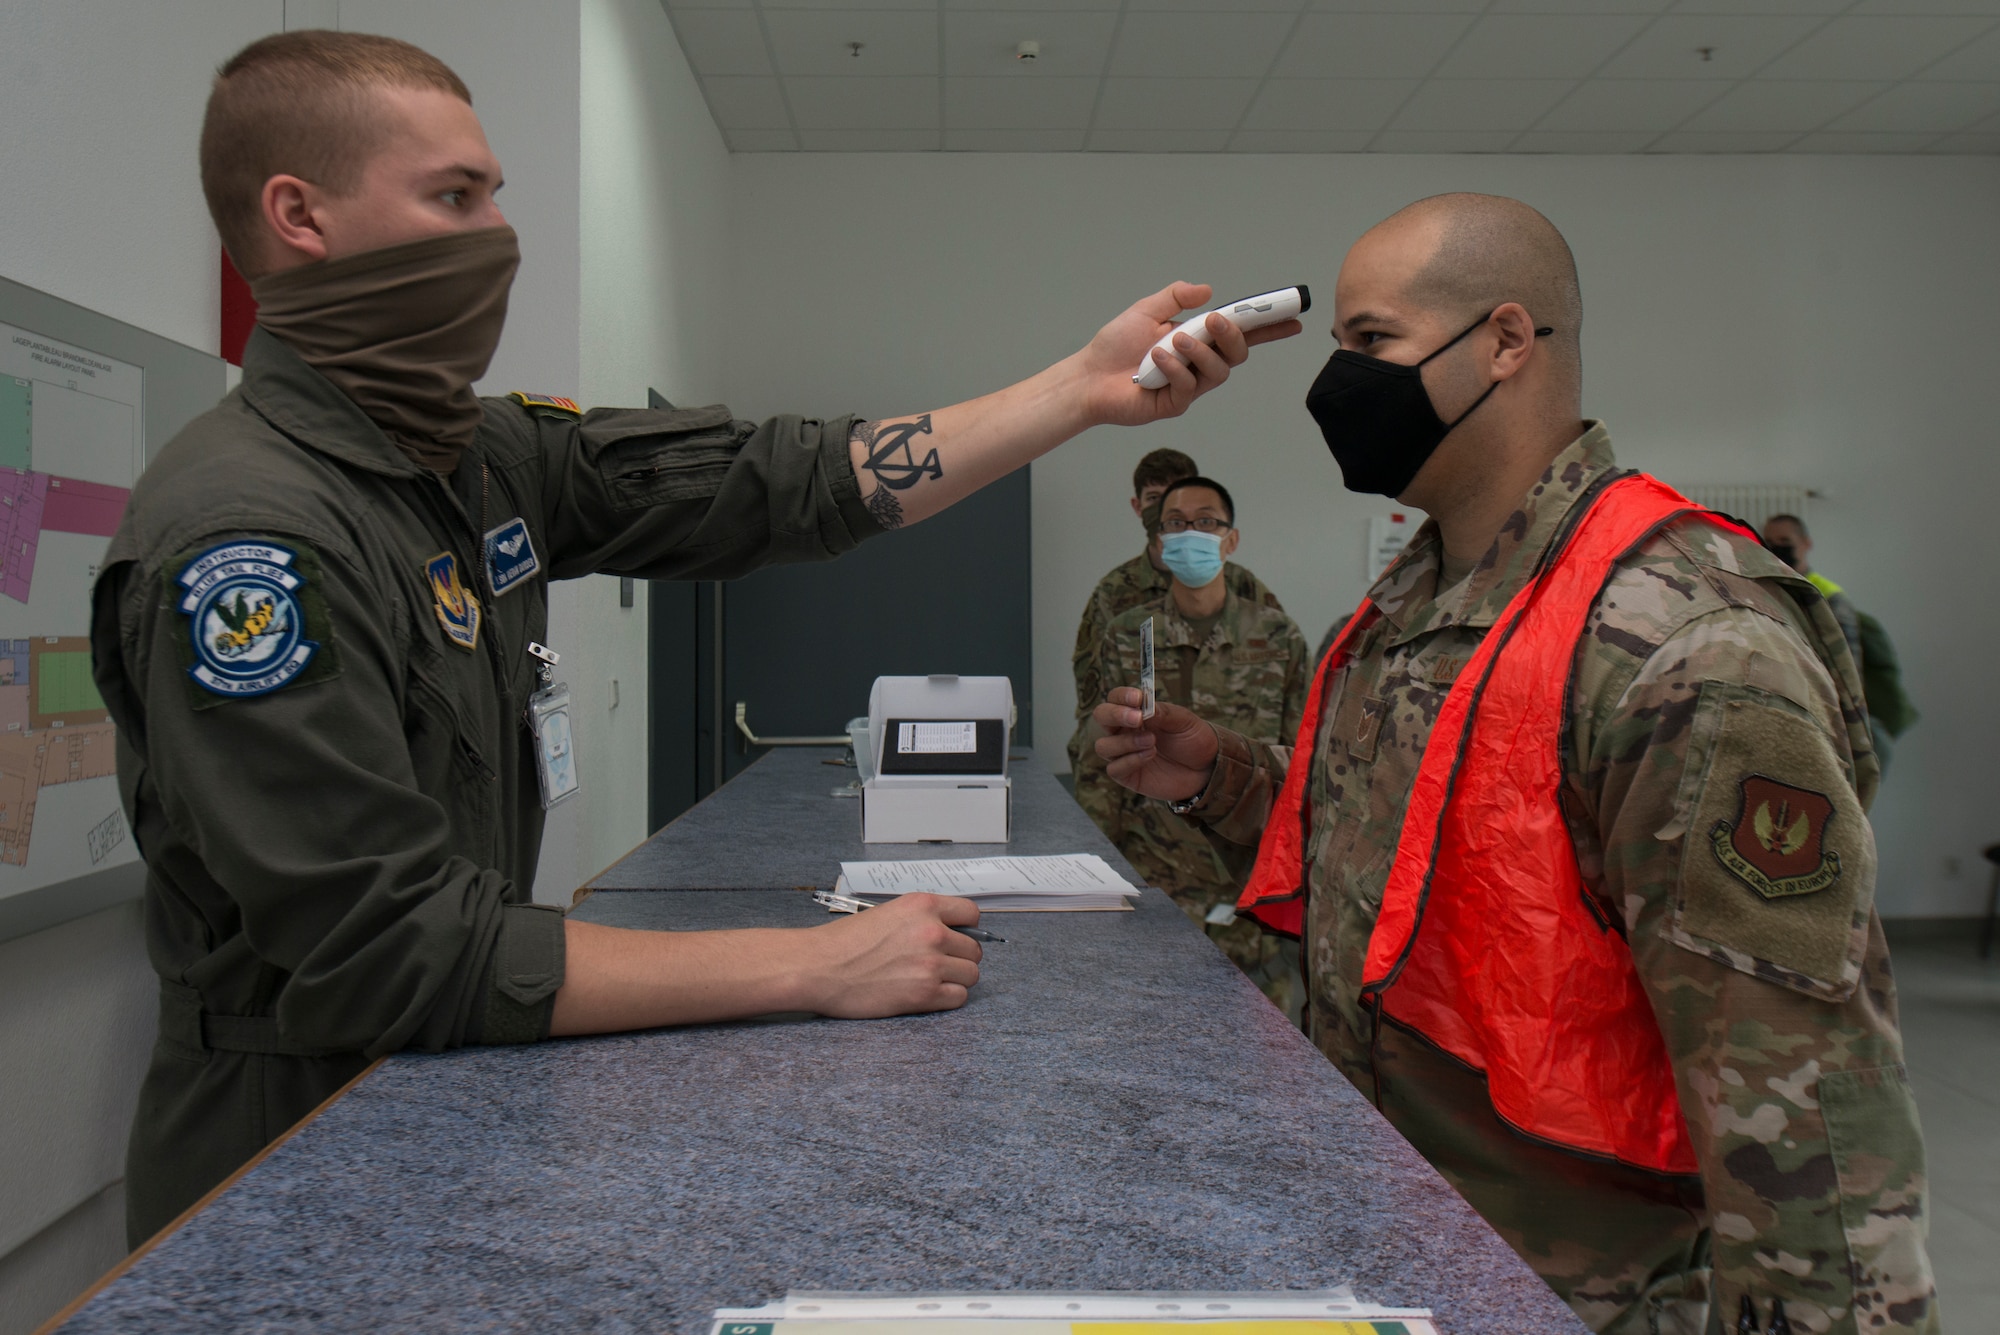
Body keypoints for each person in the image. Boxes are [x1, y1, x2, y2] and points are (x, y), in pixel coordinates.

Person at [93, 30, 1299, 1245]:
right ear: (298, 215)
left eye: (495, 193)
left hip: (444, 1102)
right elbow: (390, 950)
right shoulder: (248, 541)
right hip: (286, 1159)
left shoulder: (473, 458)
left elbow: (770, 481)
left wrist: (1075, 393)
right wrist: (813, 969)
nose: (498, 234)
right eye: (454, 195)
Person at [1093, 194, 1936, 1333]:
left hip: (1567, 1289)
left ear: (1502, 341)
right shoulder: (1412, 602)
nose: (1335, 385)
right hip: (1392, 1238)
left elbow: (1803, 1104)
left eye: (1369, 343)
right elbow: (1382, 863)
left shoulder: (1679, 637)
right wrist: (1219, 778)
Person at [1073, 476, 1308, 1022]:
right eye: (1176, 523)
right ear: (1158, 543)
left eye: (1207, 521)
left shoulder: (1278, 636)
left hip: (1246, 888)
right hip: (1155, 878)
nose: (1191, 533)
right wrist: (1098, 875)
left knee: (1258, 1049)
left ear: (1231, 539)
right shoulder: (1128, 633)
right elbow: (1097, 760)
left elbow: (1301, 762)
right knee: (1141, 1035)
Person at [1065, 448, 1282, 774]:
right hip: (1147, 778)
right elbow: (1097, 708)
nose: (1166, 508)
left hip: (1231, 775)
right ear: (1138, 507)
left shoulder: (1244, 587)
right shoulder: (1115, 592)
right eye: (1154, 498)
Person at [1764, 513, 1918, 771]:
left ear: (1805, 543)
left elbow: (1847, 668)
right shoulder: (1774, 587)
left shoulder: (1827, 596)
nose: (1776, 547)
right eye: (1769, 541)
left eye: (1784, 540)